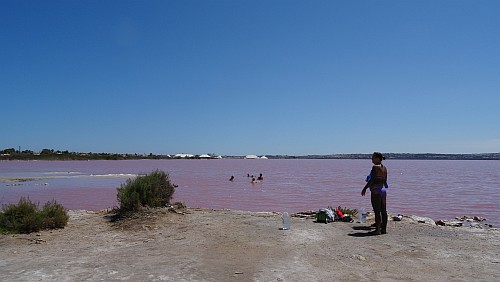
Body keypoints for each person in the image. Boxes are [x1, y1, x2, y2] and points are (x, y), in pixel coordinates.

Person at [361, 152, 388, 235]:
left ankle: (377, 230)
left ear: (377, 158)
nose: (371, 159)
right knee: (383, 211)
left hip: (376, 190)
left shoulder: (375, 167)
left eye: (373, 158)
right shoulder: (385, 168)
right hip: (383, 190)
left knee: (377, 211)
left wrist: (365, 188)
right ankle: (383, 229)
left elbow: (372, 180)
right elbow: (385, 181)